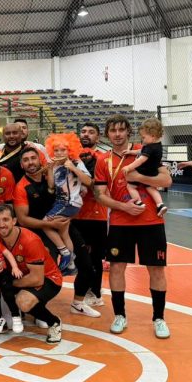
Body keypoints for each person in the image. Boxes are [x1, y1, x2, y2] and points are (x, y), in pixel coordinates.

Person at [94, 115, 172, 339]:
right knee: (117, 268)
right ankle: (120, 315)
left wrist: (139, 177)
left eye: (121, 130)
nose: (117, 134)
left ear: (129, 132)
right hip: (121, 222)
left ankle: (159, 318)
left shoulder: (144, 149)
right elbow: (99, 195)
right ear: (107, 134)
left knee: (156, 269)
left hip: (151, 221)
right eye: (112, 130)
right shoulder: (103, 160)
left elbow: (166, 181)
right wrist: (123, 207)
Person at [13, 147, 99, 319]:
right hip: (38, 231)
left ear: (40, 160)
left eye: (33, 158)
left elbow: (84, 186)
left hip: (62, 224)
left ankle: (78, 303)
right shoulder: (21, 187)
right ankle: (39, 311)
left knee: (87, 265)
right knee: (45, 272)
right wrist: (48, 223)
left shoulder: (55, 174)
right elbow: (22, 220)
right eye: (26, 160)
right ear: (22, 165)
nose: (31, 162)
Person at [0, 204, 64, 344]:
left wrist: (7, 285)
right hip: (20, 275)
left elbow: (37, 279)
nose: (1, 224)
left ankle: (54, 322)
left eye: (5, 219)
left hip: (48, 278)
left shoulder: (30, 240)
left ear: (14, 221)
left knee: (23, 302)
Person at [42, 133, 92, 273]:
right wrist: (50, 169)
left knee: (45, 223)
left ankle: (65, 252)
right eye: (56, 150)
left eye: (63, 150)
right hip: (60, 202)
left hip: (70, 202)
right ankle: (70, 265)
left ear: (70, 150)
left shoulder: (76, 162)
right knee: (64, 233)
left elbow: (89, 182)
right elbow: (51, 186)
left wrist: (73, 168)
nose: (59, 153)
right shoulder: (56, 165)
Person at [72, 123, 109, 307]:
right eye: (84, 132)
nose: (86, 135)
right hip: (76, 215)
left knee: (95, 258)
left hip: (96, 216)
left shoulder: (102, 159)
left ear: (98, 137)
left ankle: (95, 292)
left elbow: (98, 187)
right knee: (81, 258)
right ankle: (83, 290)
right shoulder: (72, 157)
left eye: (91, 132)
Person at [122, 118, 167, 217]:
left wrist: (129, 167)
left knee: (131, 186)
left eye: (143, 137)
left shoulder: (149, 147)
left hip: (143, 170)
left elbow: (141, 159)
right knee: (151, 188)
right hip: (153, 171)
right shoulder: (157, 145)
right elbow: (141, 151)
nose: (142, 140)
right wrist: (131, 152)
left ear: (153, 136)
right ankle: (160, 204)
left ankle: (139, 202)